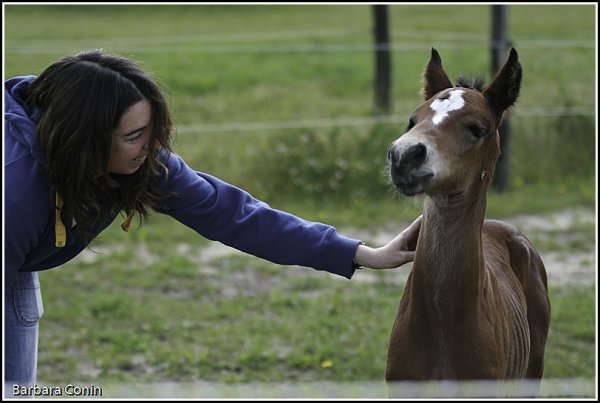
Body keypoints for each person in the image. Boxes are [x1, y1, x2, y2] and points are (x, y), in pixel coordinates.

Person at [4, 50, 422, 389]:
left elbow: (232, 215)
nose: (150, 148)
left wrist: (361, 253)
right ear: (85, 140)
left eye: (152, 131)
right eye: (134, 137)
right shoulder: (15, 193)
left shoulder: (141, 159)